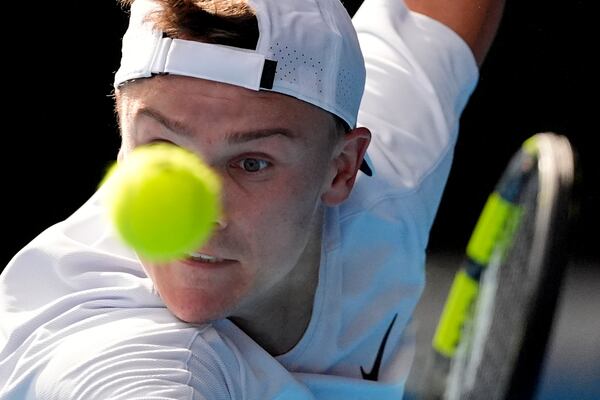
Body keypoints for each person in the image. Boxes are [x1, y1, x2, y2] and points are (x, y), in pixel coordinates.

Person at [0, 0, 504, 398]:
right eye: (165, 151)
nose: (201, 219)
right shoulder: (118, 348)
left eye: (252, 163)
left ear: (342, 168)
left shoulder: (395, 179)